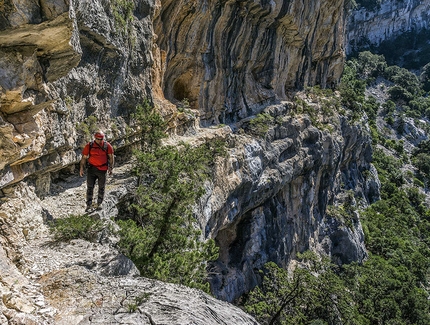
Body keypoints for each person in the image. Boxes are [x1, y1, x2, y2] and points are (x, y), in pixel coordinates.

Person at [79, 130, 114, 211]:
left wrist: (111, 167)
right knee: (90, 187)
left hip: (103, 169)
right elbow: (84, 157)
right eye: (98, 139)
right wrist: (81, 168)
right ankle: (89, 205)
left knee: (101, 187)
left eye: (101, 139)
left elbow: (111, 157)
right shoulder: (90, 145)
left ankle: (99, 203)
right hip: (92, 169)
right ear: (95, 138)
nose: (99, 140)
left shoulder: (107, 146)